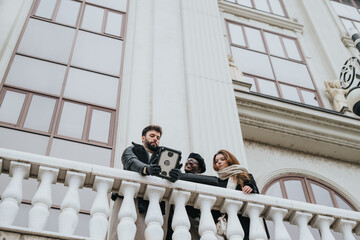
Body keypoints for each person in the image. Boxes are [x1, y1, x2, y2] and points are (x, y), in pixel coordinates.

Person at [110, 125, 181, 240]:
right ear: (143, 138)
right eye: (152, 136)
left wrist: (175, 175)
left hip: (156, 205)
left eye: (158, 138)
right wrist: (146, 169)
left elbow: (170, 175)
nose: (155, 139)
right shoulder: (133, 149)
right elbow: (130, 161)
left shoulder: (165, 155)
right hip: (132, 200)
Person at [212, 150, 261, 240]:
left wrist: (250, 188)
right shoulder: (218, 181)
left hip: (243, 219)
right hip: (225, 222)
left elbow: (256, 192)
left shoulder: (244, 175)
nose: (219, 162)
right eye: (216, 161)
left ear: (229, 160)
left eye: (222, 159)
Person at [165, 152, 212, 240]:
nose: (189, 162)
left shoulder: (202, 181)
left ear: (199, 169)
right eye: (188, 160)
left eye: (193, 162)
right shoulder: (177, 176)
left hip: (191, 220)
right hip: (173, 217)